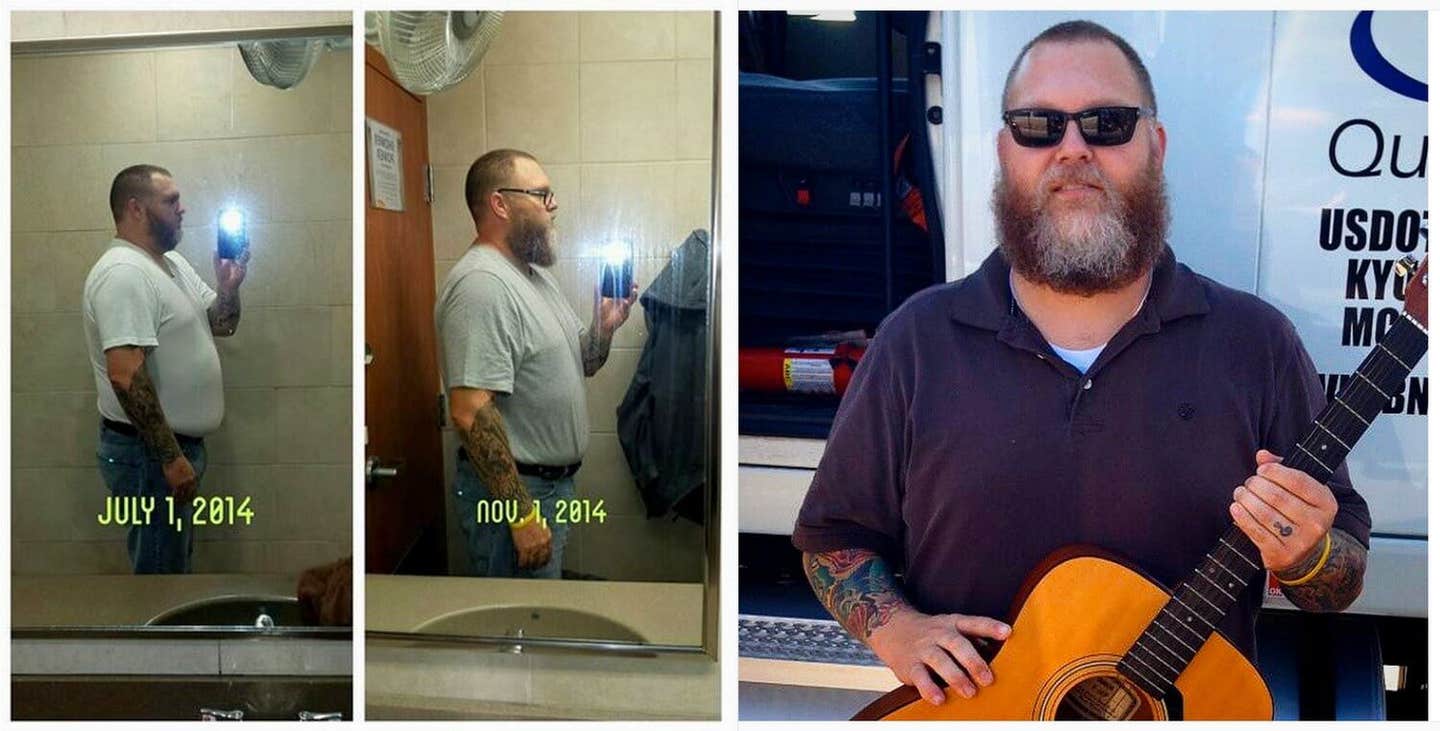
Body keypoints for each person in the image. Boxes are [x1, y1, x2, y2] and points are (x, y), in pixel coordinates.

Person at [793, 21, 1371, 707]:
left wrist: (1307, 553)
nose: (1073, 149)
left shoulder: (1257, 345)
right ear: (1007, 152)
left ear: (1154, 147)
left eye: (1107, 122)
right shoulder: (916, 341)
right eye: (1039, 125)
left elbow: (1340, 571)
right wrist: (898, 630)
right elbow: (832, 540)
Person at [436, 149, 636, 578]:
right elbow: (469, 412)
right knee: (519, 631)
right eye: (541, 194)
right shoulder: (481, 285)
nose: (554, 205)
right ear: (500, 203)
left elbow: (580, 363)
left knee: (538, 621)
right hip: (518, 498)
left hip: (547, 490)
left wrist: (604, 327)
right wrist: (522, 517)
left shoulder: (532, 276)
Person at [83, 164, 248, 574]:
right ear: (136, 209)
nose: (183, 208)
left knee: (171, 564)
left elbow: (222, 324)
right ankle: (159, 641)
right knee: (161, 575)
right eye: (171, 200)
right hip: (149, 456)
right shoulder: (124, 273)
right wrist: (170, 460)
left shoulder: (168, 264)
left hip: (166, 451)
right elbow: (125, 374)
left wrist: (229, 287)